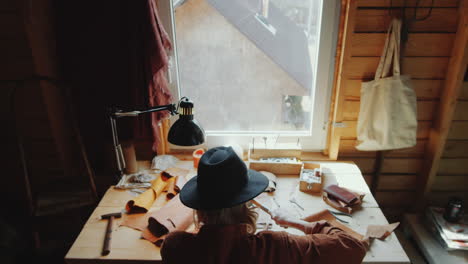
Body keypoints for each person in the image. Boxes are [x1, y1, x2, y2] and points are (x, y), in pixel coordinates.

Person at [161, 146, 368, 264]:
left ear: (200, 207)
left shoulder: (175, 247)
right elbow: (353, 248)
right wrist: (298, 223)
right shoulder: (276, 246)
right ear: (245, 203)